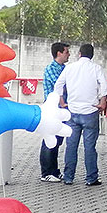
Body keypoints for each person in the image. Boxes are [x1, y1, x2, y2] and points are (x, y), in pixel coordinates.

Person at [54, 43, 107, 186]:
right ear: (92, 55)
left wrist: (62, 101)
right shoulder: (96, 68)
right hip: (90, 111)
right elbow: (104, 85)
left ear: (79, 54)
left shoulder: (70, 68)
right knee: (90, 147)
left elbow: (58, 85)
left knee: (71, 145)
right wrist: (103, 101)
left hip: (72, 111)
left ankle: (68, 177)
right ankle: (91, 178)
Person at [40, 42, 69, 183]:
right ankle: (46, 172)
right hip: (52, 108)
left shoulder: (65, 68)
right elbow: (60, 85)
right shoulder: (51, 69)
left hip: (61, 110)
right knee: (49, 140)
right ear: (59, 53)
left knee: (57, 140)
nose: (68, 55)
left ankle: (54, 171)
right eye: (66, 52)